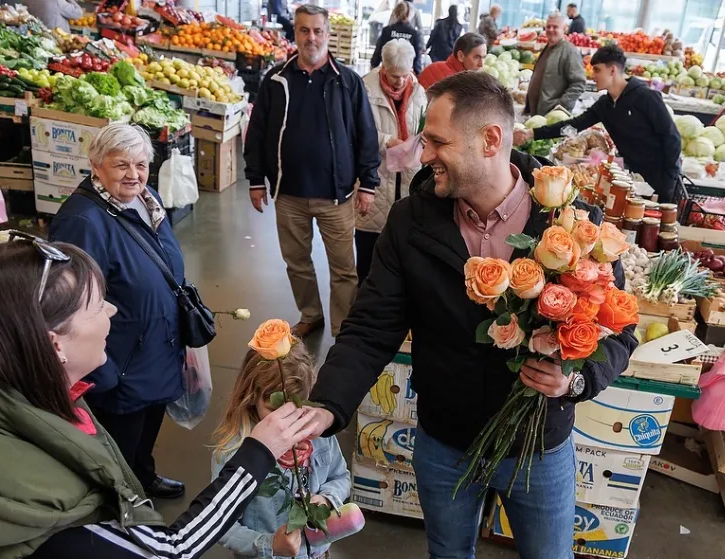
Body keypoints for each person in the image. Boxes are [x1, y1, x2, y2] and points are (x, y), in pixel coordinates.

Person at [306, 72, 637, 559]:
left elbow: (619, 327)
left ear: (490, 139)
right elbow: (371, 329)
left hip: (538, 447)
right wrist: (326, 405)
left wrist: (577, 380)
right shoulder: (410, 223)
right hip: (445, 445)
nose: (422, 156)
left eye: (437, 141)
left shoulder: (573, 226)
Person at [0, 239, 319, 558]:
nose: (112, 311)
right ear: (53, 344)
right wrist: (257, 453)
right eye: (97, 304)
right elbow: (170, 549)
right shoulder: (33, 495)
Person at [49, 124, 191, 500]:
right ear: (96, 166)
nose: (134, 175)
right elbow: (69, 305)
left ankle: (143, 477)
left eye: (141, 165)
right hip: (120, 359)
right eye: (121, 165)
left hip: (156, 346)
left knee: (147, 428)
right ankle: (120, 510)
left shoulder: (147, 201)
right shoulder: (82, 221)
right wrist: (106, 371)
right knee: (117, 446)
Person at [244, 4, 380, 340]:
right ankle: (311, 314)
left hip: (336, 196)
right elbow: (257, 131)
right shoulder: (276, 80)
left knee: (344, 269)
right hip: (288, 193)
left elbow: (366, 134)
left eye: (318, 30)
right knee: (297, 263)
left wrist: (368, 184)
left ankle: (344, 327)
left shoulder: (347, 81)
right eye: (304, 30)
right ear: (295, 32)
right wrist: (255, 179)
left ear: (328, 34)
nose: (311, 37)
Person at [211, 341, 351, 559]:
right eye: (273, 407)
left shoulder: (320, 436)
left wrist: (326, 499)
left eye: (295, 406)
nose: (283, 419)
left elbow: (340, 477)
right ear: (251, 396)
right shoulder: (233, 452)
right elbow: (220, 523)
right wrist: (269, 545)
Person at [517, 45, 683, 202]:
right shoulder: (605, 105)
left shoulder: (646, 97)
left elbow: (672, 138)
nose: (593, 75)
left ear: (612, 70)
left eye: (597, 70)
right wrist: (532, 133)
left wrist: (669, 181)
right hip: (633, 180)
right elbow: (573, 126)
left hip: (660, 181)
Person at [358, 39, 427, 286]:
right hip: (376, 179)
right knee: (368, 251)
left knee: (400, 248)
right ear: (383, 68)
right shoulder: (364, 90)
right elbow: (355, 132)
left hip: (407, 176)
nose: (400, 82)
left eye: (404, 75)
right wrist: (386, 141)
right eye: (394, 76)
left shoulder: (418, 91)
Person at [524, 10, 587, 115]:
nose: (550, 30)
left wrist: (560, 105)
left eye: (555, 27)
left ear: (564, 28)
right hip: (538, 114)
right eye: (548, 26)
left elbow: (579, 84)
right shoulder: (548, 47)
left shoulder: (569, 51)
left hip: (552, 115)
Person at [418, 32, 486, 90]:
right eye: (477, 57)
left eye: (484, 57)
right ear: (461, 56)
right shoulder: (458, 84)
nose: (481, 64)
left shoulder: (435, 66)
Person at [371, 2, 423, 74]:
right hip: (406, 73)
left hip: (388, 71)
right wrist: (418, 72)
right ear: (409, 15)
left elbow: (379, 50)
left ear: (395, 13)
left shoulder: (387, 30)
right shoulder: (414, 33)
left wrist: (374, 64)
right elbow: (417, 56)